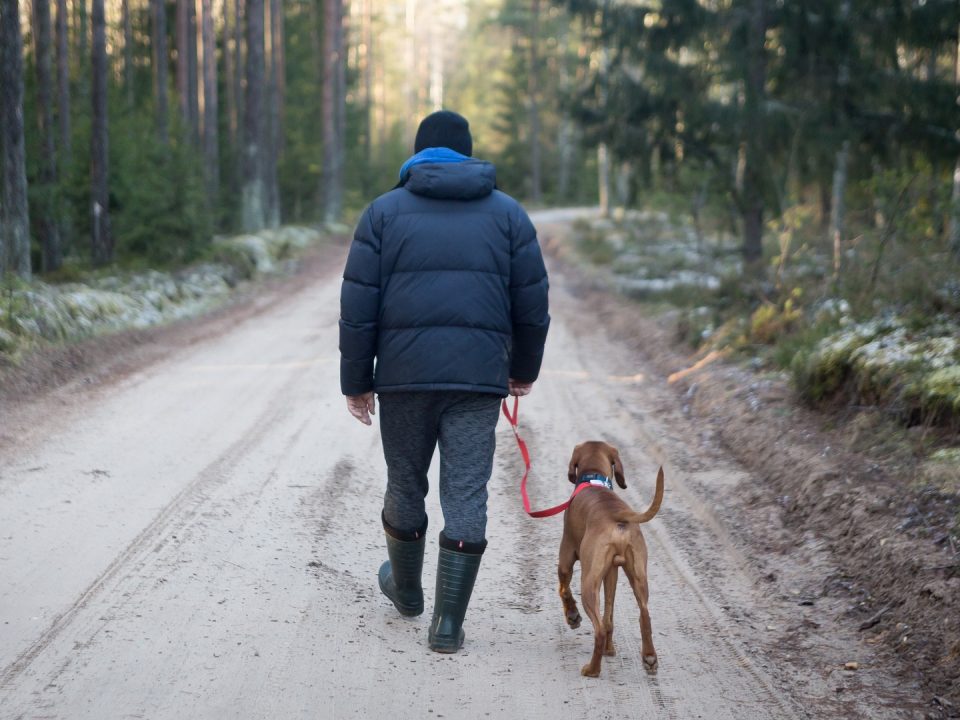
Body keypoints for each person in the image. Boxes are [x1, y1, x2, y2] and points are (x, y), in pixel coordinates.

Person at [338, 110, 550, 653]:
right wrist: (522, 369)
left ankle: (407, 591)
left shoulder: (382, 213)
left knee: (405, 481)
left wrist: (357, 382)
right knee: (466, 491)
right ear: (469, 153)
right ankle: (448, 625)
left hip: (405, 379)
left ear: (417, 153)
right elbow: (533, 304)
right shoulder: (509, 215)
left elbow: (358, 309)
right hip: (477, 382)